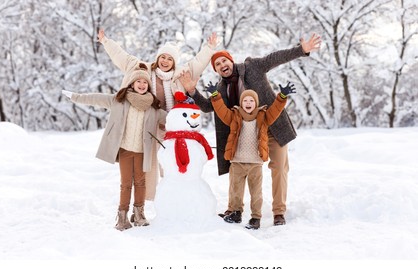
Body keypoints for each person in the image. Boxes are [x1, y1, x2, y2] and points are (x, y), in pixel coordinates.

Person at [179, 33, 321, 226]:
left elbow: (275, 58)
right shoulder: (221, 89)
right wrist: (192, 91)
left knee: (279, 168)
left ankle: (279, 212)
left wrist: (301, 50)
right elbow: (207, 107)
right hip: (247, 136)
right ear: (217, 71)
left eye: (223, 61)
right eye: (217, 65)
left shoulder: (252, 67)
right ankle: (234, 209)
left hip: (273, 127)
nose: (222, 65)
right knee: (237, 168)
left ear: (230, 60)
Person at [97, 28, 218, 201]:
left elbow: (197, 62)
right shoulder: (143, 70)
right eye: (163, 57)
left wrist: (210, 47)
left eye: (170, 58)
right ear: (158, 58)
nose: (165, 61)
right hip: (146, 125)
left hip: (171, 127)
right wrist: (106, 42)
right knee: (149, 164)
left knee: (172, 164)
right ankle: (147, 200)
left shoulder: (181, 74)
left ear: (174, 62)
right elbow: (122, 57)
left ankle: (175, 198)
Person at [62, 63, 167, 231]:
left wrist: (189, 115)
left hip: (142, 151)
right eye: (138, 81)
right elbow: (95, 98)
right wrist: (75, 97)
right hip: (125, 150)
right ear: (132, 84)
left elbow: (172, 119)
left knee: (140, 183)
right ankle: (122, 216)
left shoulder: (153, 107)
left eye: (145, 82)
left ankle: (139, 214)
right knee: (126, 183)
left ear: (148, 86)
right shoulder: (119, 100)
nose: (141, 85)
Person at [209, 83, 295, 229]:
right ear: (241, 103)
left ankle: (256, 217)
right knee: (235, 190)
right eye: (245, 101)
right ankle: (236, 213)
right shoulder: (234, 116)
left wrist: (281, 97)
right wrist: (215, 96)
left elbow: (275, 110)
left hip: (255, 163)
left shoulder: (263, 117)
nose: (248, 103)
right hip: (237, 162)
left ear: (256, 103)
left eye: (251, 101)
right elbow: (222, 111)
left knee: (256, 193)